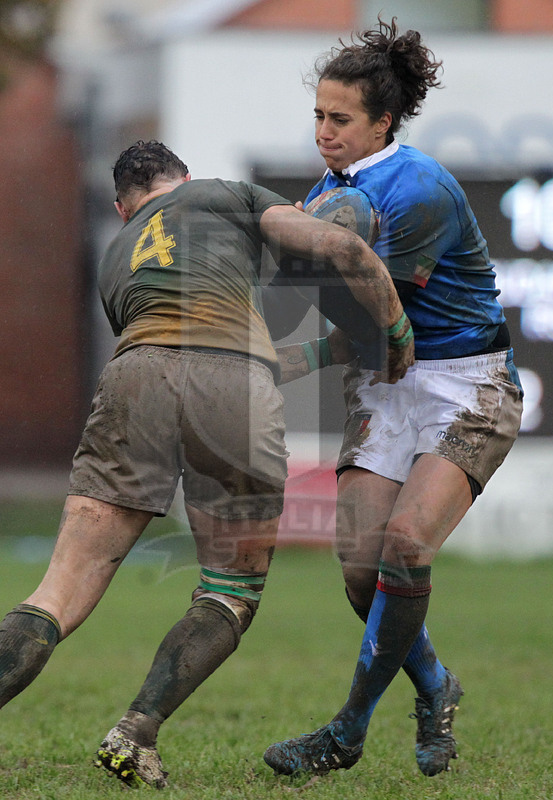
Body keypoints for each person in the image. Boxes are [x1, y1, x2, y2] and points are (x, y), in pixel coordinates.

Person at [0, 140, 413, 789]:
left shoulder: (115, 257)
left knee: (58, 590)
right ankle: (136, 730)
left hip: (134, 375)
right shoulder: (223, 194)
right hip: (236, 388)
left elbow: (172, 346)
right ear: (183, 179)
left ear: (122, 206)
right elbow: (343, 251)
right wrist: (394, 331)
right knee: (230, 590)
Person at [262, 16, 524, 779]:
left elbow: (387, 328)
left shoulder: (418, 191)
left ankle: (344, 733)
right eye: (317, 115)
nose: (323, 131)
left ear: (383, 122)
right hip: (385, 388)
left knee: (407, 546)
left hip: (466, 385)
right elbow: (361, 333)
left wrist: (291, 358)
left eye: (340, 119)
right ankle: (437, 686)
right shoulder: (329, 193)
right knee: (359, 571)